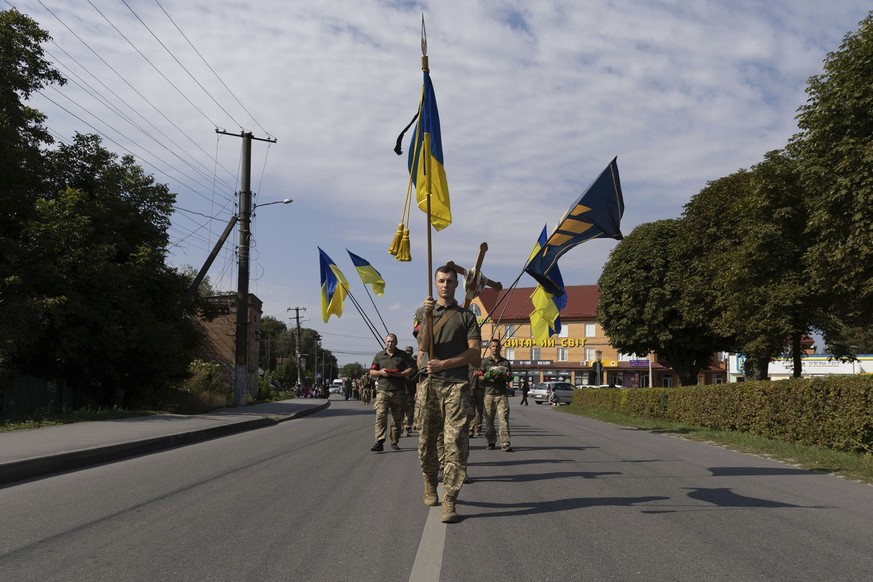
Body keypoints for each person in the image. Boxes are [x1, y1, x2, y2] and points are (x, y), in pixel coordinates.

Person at [414, 265, 481, 523]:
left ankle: (450, 498)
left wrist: (446, 363)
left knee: (456, 444)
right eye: (441, 281)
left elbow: (475, 355)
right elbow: (423, 346)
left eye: (450, 281)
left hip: (456, 385)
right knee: (427, 440)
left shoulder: (467, 317)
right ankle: (430, 482)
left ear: (456, 285)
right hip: (430, 384)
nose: (445, 285)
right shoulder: (423, 312)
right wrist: (428, 317)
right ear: (434, 283)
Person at [369, 333, 416, 452]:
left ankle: (394, 440)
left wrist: (400, 374)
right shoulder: (379, 356)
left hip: (398, 391)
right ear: (385, 342)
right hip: (383, 390)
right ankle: (379, 441)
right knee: (380, 416)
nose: (390, 344)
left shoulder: (403, 355)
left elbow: (412, 368)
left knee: (397, 418)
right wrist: (380, 372)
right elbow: (372, 372)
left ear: (396, 343)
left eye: (393, 342)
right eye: (388, 341)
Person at [480, 339, 514, 452]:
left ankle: (505, 443)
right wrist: (488, 376)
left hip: (502, 394)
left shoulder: (505, 362)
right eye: (493, 346)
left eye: (497, 346)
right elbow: (479, 377)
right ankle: (491, 441)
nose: (495, 348)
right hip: (488, 394)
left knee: (503, 419)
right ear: (489, 347)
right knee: (489, 420)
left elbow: (510, 377)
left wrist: (504, 375)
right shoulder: (484, 362)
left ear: (500, 348)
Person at [402, 346, 418, 436]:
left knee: (410, 412)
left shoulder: (414, 364)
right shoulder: (400, 361)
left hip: (411, 391)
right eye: (407, 351)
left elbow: (418, 379)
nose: (408, 353)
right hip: (401, 390)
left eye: (409, 352)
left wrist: (417, 392)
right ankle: (400, 427)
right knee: (400, 411)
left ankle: (406, 428)